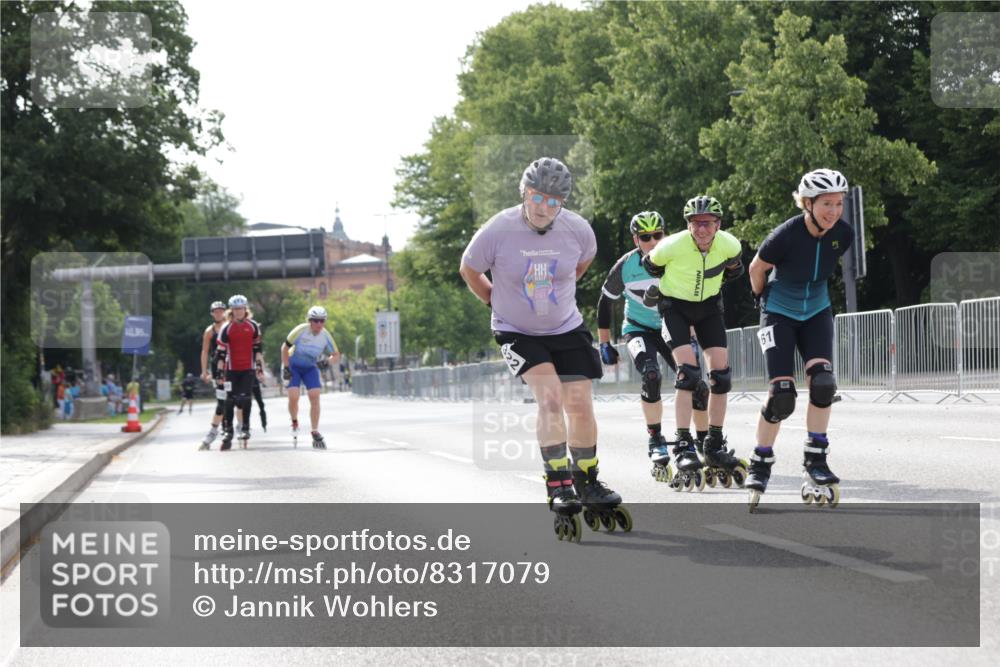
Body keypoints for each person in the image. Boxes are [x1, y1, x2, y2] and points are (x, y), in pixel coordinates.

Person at [459, 156, 631, 542]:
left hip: (565, 326)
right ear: (524, 193)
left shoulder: (579, 231)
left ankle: (587, 480)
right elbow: (469, 269)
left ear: (563, 203)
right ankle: (558, 482)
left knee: (581, 404)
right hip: (516, 330)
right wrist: (494, 301)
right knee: (550, 398)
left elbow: (579, 266)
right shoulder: (497, 229)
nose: (542, 208)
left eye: (553, 202)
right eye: (536, 197)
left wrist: (557, 298)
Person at [745, 169, 853, 512]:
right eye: (826, 204)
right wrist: (761, 300)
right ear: (807, 204)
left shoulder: (844, 234)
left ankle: (816, 459)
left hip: (817, 311)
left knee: (823, 383)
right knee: (782, 396)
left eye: (838, 203)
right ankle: (761, 460)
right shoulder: (785, 235)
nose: (833, 211)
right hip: (778, 311)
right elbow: (755, 268)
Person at [596, 211, 713, 484]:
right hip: (637, 328)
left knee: (697, 384)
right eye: (645, 237)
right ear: (636, 239)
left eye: (657, 236)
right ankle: (656, 438)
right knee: (651, 375)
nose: (652, 242)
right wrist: (604, 342)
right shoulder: (625, 265)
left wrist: (695, 329)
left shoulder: (676, 257)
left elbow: (694, 294)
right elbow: (605, 302)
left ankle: (704, 441)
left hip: (671, 327)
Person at [641, 195, 746, 491]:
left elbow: (735, 267)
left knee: (721, 375)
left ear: (718, 224)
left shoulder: (730, 244)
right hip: (674, 305)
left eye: (708, 223)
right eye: (696, 223)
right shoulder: (671, 246)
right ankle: (684, 443)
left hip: (710, 306)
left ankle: (713, 441)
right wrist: (663, 285)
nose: (702, 229)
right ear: (688, 225)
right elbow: (650, 264)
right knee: (688, 372)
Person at [281, 305, 339, 449]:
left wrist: (327, 361)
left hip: (310, 367)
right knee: (293, 396)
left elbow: (336, 355)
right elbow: (284, 348)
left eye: (322, 321)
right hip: (294, 364)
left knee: (315, 395)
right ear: (309, 321)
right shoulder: (301, 330)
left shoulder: (325, 335)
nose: (319, 324)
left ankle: (314, 430)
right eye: (315, 321)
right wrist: (287, 367)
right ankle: (294, 421)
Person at [215, 295, 264, 450]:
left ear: (245, 309)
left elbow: (257, 350)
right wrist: (220, 374)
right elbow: (221, 353)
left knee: (245, 399)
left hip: (247, 369)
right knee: (229, 400)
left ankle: (245, 428)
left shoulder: (253, 326)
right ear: (231, 311)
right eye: (235, 309)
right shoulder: (226, 328)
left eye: (241, 309)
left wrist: (259, 368)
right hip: (231, 369)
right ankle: (228, 430)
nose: (238, 312)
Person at [199, 301, 228, 450]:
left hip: (233, 366)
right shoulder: (209, 331)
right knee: (222, 399)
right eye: (215, 312)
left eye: (221, 311)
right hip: (217, 368)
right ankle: (218, 430)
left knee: (238, 398)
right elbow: (204, 351)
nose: (218, 314)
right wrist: (205, 370)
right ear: (212, 314)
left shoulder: (230, 326)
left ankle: (241, 426)